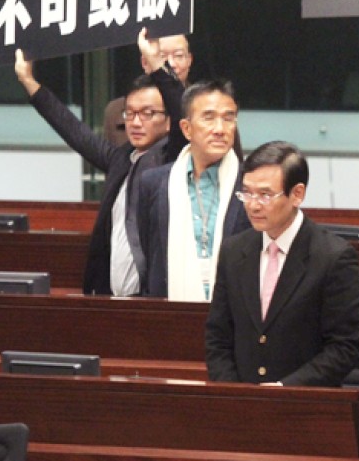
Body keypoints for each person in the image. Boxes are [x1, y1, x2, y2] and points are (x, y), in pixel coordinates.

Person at [13, 31, 185, 296]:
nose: (136, 122)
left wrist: (156, 64)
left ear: (169, 119)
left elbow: (184, 115)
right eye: (130, 113)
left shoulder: (173, 158)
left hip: (151, 299)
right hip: (109, 295)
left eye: (148, 114)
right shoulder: (122, 158)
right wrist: (29, 82)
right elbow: (74, 131)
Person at [205, 141, 359, 386]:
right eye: (246, 192)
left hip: (304, 407)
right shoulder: (233, 251)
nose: (253, 204)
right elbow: (218, 336)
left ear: (297, 194)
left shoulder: (333, 257)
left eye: (265, 195)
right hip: (240, 405)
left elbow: (345, 347)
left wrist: (284, 390)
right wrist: (234, 394)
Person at [138, 79, 250, 300]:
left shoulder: (251, 182)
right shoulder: (154, 182)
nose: (220, 129)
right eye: (209, 118)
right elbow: (150, 251)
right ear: (186, 129)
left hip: (237, 314)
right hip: (171, 311)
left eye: (228, 118)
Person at [104, 33, 193, 146]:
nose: (171, 63)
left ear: (190, 60)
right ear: (144, 62)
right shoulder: (116, 111)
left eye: (178, 55)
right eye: (161, 57)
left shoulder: (202, 105)